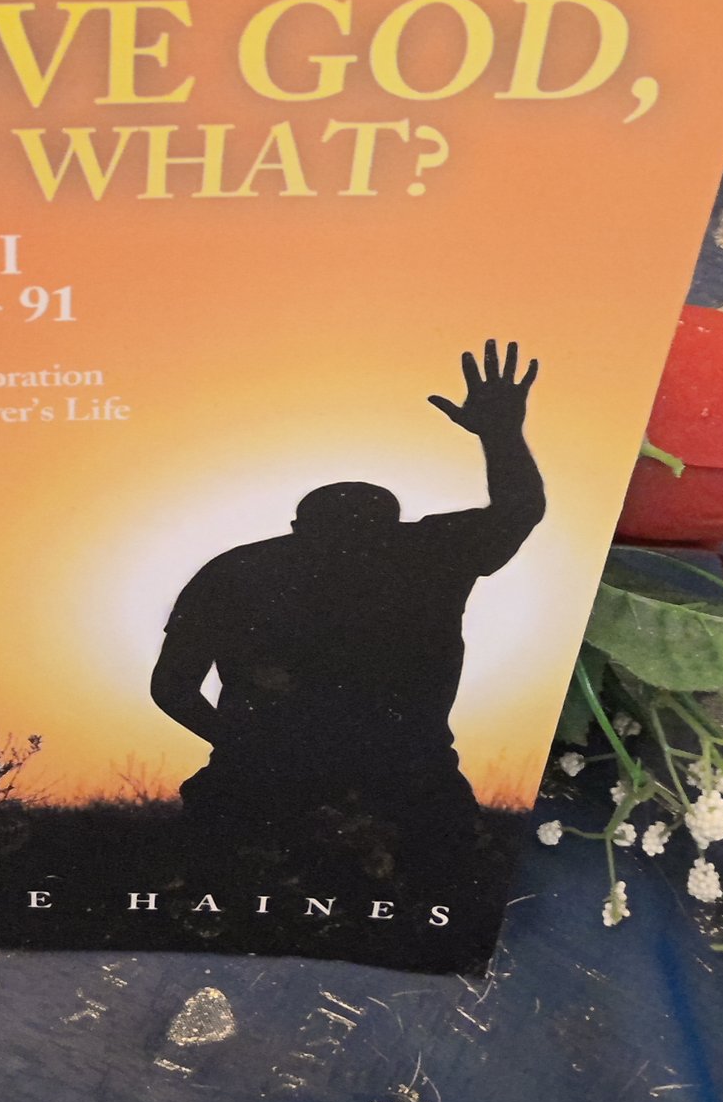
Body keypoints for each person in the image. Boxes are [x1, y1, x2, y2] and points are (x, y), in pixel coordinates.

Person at [152, 341, 544, 833]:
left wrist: (243, 745)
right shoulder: (425, 553)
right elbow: (518, 510)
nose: (349, 554)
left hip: (293, 778)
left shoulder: (237, 570)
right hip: (393, 776)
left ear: (298, 528)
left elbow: (172, 687)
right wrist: (501, 435)